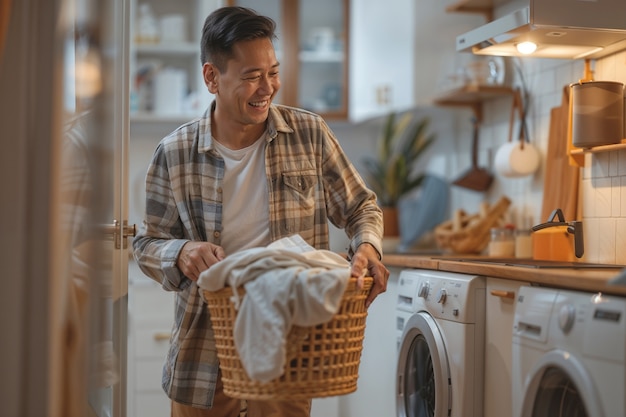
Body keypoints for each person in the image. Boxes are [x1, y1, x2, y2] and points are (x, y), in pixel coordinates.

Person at [132, 6, 389, 417]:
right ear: (212, 77)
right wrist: (179, 252)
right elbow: (146, 242)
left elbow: (361, 206)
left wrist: (368, 248)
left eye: (273, 72)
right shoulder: (174, 152)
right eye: (252, 76)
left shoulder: (309, 134)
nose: (267, 87)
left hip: (289, 346)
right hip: (204, 348)